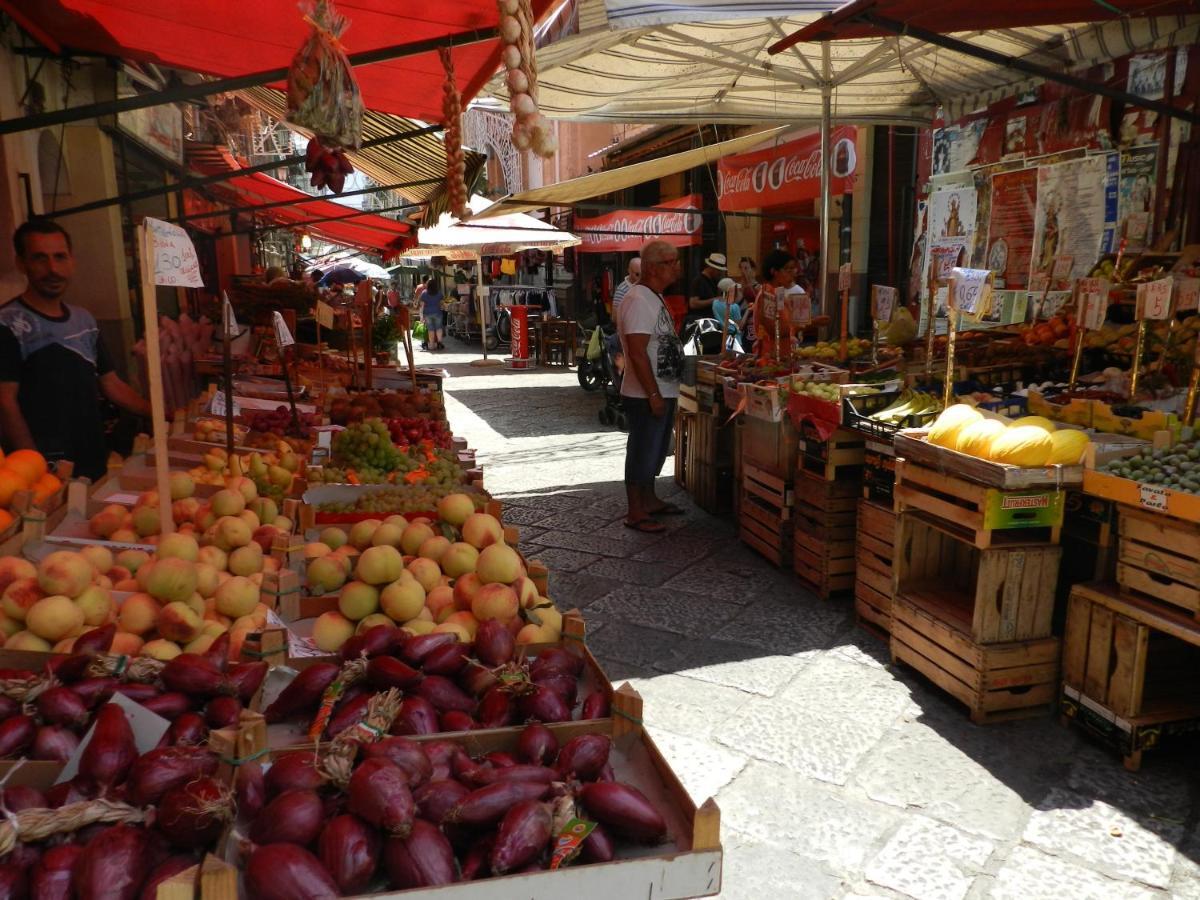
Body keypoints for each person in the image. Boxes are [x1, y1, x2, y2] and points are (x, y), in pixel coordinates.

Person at [0, 218, 151, 480]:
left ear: (72, 261)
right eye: (40, 258)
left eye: (60, 257)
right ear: (21, 264)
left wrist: (159, 413)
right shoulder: (8, 324)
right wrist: (35, 470)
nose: (52, 269)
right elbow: (5, 402)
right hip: (45, 471)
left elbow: (111, 384)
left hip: (92, 457)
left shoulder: (85, 321)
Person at [619, 239, 687, 533]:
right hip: (646, 392)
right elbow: (636, 351)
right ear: (654, 267)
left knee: (656, 451)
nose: (678, 267)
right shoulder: (638, 300)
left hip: (661, 388)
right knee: (643, 450)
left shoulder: (652, 296)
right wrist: (653, 393)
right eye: (672, 262)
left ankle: (649, 499)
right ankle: (636, 511)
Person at [686, 252, 727, 327]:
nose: (720, 273)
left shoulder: (714, 281)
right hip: (702, 322)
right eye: (718, 270)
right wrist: (714, 300)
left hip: (711, 322)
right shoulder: (699, 281)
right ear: (710, 267)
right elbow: (693, 304)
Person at [611, 257, 641, 328]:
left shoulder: (645, 285)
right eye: (637, 274)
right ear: (629, 271)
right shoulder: (622, 290)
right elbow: (615, 318)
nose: (640, 277)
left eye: (643, 274)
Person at [420, 277, 445, 351]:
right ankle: (439, 343)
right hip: (437, 312)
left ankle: (431, 344)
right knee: (439, 328)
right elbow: (441, 303)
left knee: (430, 329)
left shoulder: (424, 293)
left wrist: (421, 316)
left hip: (427, 313)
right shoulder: (439, 293)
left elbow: (422, 305)